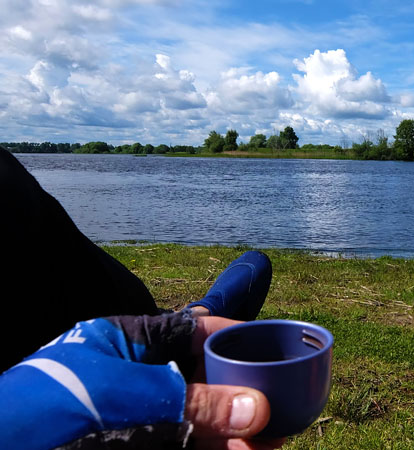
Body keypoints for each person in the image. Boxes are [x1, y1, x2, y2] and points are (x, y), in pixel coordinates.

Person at [0, 146, 283, 449]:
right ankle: (194, 320)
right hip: (126, 344)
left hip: (131, 331)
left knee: (253, 266)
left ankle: (192, 319)